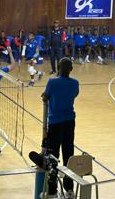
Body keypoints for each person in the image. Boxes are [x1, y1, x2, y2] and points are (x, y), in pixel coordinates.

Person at [42, 57, 79, 199]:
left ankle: (52, 191)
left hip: (55, 123)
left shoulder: (52, 82)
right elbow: (74, 94)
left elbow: (46, 97)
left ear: (58, 69)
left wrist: (47, 95)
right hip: (69, 122)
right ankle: (69, 190)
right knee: (68, 154)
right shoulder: (75, 83)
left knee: (53, 156)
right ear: (71, 69)